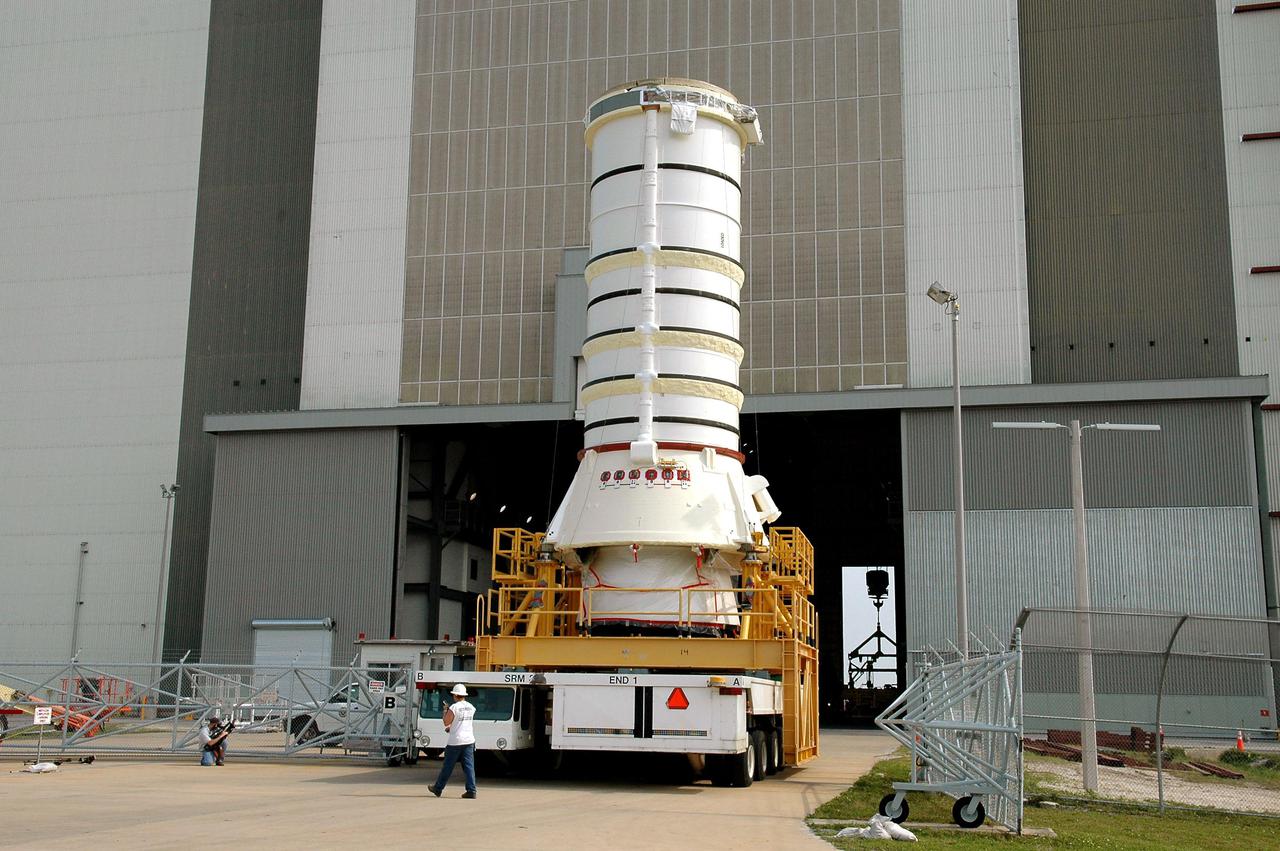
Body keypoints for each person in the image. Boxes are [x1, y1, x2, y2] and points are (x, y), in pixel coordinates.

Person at [429, 683, 476, 798]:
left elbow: (446, 721)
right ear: (464, 695)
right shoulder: (471, 707)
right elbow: (463, 722)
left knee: (448, 766)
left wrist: (445, 710)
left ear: (455, 695)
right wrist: (452, 727)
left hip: (455, 741)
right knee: (469, 767)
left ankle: (438, 788)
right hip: (469, 740)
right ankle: (471, 790)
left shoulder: (454, 707)